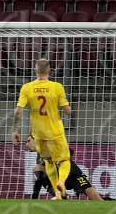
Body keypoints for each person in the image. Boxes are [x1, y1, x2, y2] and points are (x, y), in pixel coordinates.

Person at [13, 58, 72, 200]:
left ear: (35, 70)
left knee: (48, 162)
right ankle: (61, 182)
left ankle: (58, 194)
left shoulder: (26, 88)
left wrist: (16, 130)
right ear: (49, 70)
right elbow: (67, 111)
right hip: (55, 131)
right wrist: (68, 108)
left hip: (38, 134)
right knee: (64, 160)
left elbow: (18, 111)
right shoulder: (57, 87)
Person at [26, 135, 103, 200]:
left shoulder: (49, 144)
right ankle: (60, 195)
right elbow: (39, 179)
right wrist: (34, 197)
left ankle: (102, 203)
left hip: (70, 171)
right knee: (38, 169)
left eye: (28, 141)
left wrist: (58, 158)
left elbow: (70, 151)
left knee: (92, 194)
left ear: (35, 139)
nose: (27, 144)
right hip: (57, 178)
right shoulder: (40, 156)